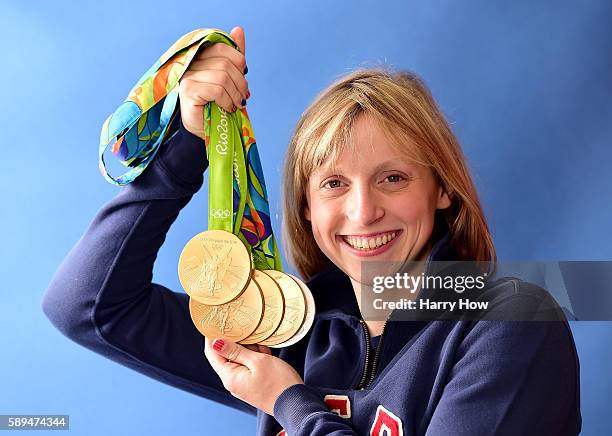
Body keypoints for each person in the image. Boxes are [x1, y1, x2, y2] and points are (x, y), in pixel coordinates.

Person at [42, 26, 581, 435]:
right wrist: (185, 144)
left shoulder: (510, 323)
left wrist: (290, 402)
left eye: (393, 178)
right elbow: (89, 306)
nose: (364, 211)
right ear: (305, 209)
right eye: (333, 185)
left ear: (443, 190)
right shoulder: (288, 332)